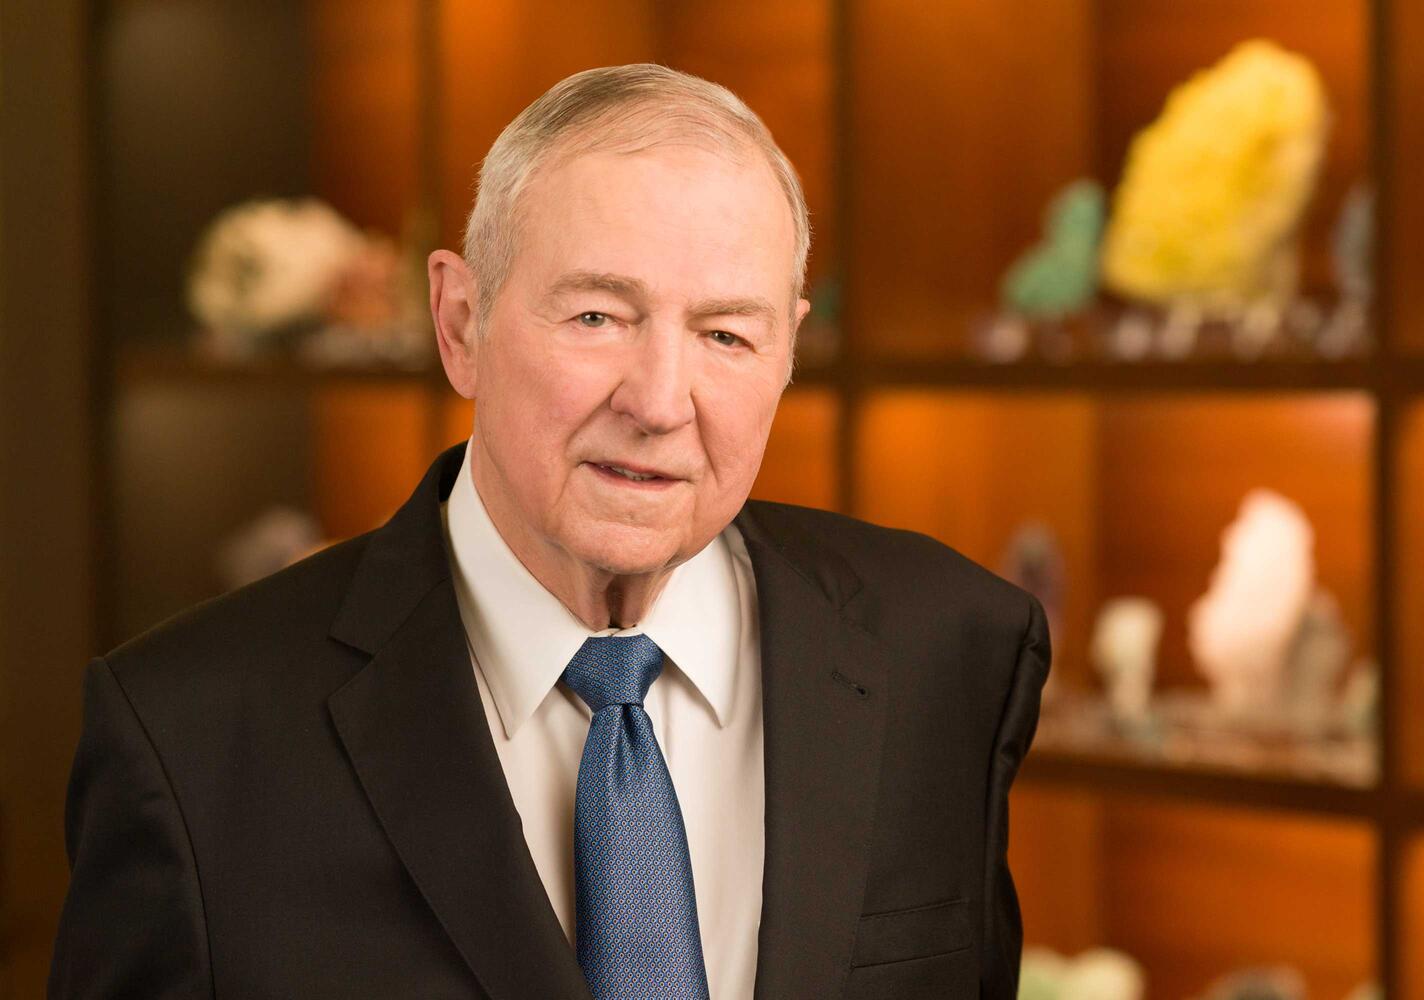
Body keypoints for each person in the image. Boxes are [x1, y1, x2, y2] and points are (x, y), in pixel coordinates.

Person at [49, 64, 1050, 1000]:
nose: (660, 402)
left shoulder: (953, 650)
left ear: (788, 349)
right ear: (459, 321)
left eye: (726, 335)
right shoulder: (187, 739)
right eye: (597, 318)